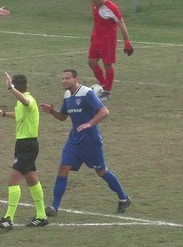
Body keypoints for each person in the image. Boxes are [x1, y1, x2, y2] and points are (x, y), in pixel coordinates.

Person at [39, 69, 131, 215]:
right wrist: (51, 111)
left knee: (101, 171)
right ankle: (54, 207)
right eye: (62, 78)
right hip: (74, 141)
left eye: (67, 78)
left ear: (76, 79)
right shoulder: (67, 95)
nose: (64, 81)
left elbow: (104, 111)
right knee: (63, 168)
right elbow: (63, 117)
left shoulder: (87, 93)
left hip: (91, 141)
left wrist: (90, 123)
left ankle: (123, 198)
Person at [0, 72, 49, 230]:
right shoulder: (22, 103)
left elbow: (24, 101)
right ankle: (42, 216)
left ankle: (8, 218)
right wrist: (3, 114)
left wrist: (10, 88)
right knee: (31, 180)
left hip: (28, 146)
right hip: (24, 145)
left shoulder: (28, 99)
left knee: (13, 181)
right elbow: (19, 115)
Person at [87, 0, 133, 101]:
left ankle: (107, 92)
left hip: (108, 40)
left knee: (107, 65)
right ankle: (103, 85)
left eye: (95, 2)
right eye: (92, 2)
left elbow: (121, 24)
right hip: (96, 39)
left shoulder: (112, 8)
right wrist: (92, 36)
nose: (94, 4)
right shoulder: (95, 6)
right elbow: (96, 22)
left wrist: (127, 42)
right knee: (91, 62)